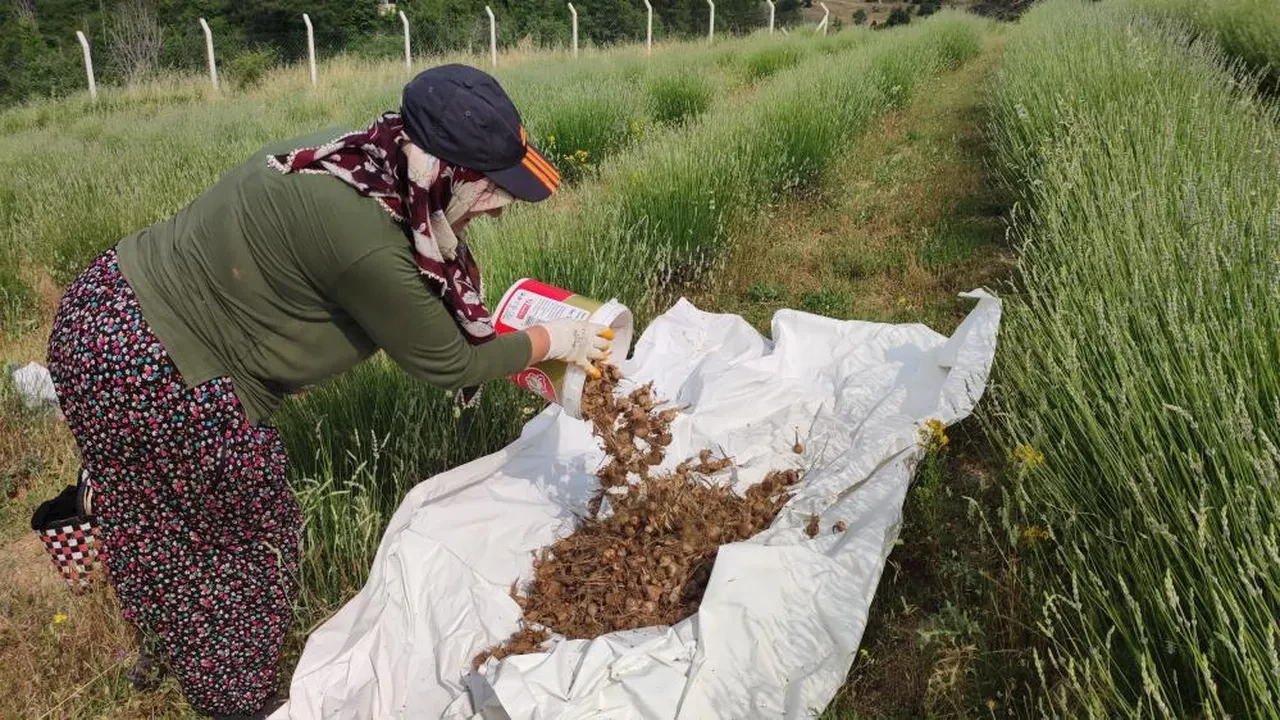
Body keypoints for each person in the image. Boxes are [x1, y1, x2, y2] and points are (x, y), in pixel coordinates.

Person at [45, 64, 612, 719]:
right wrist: (554, 340)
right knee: (246, 543)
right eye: (491, 188)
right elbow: (449, 362)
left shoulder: (355, 158)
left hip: (101, 314)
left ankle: (159, 649)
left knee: (148, 507)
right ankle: (234, 700)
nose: (501, 206)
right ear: (443, 174)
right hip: (162, 369)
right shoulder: (369, 240)